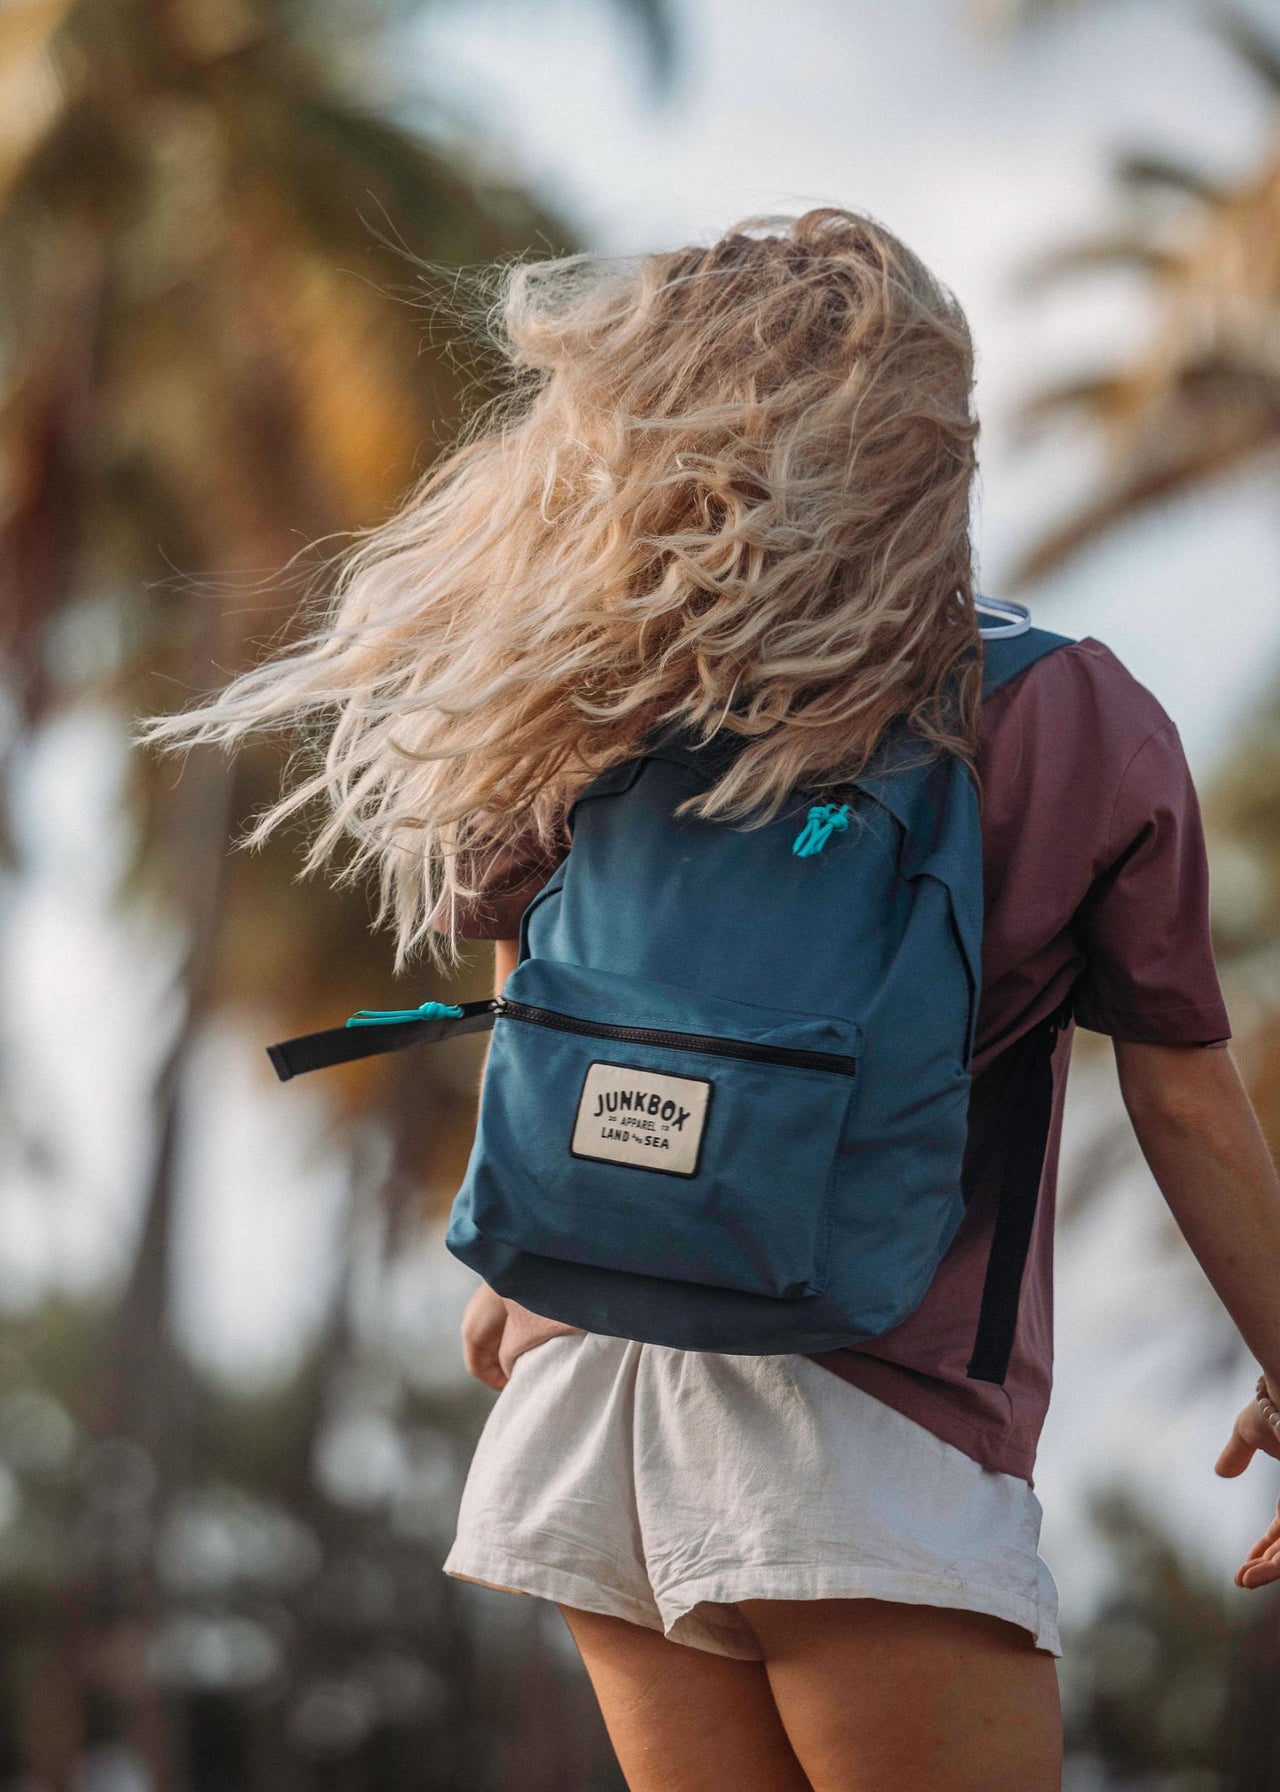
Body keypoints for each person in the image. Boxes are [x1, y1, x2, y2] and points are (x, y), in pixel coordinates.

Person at [140, 208, 1280, 1792]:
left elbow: (530, 962)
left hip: (593, 1405)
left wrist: (547, 1226)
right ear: (928, 450)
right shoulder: (1062, 714)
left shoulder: (593, 680)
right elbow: (1181, 1095)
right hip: (870, 1426)